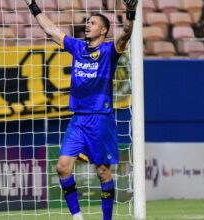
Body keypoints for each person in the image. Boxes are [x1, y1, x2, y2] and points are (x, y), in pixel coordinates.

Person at [24, 0, 138, 219]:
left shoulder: (109, 50)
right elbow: (50, 29)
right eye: (87, 22)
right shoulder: (77, 47)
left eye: (93, 23)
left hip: (100, 119)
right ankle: (77, 216)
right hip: (78, 120)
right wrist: (33, 5)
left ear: (103, 29)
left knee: (103, 172)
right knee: (62, 167)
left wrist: (131, 13)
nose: (88, 25)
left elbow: (125, 34)